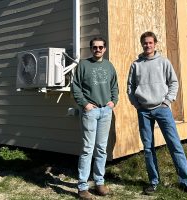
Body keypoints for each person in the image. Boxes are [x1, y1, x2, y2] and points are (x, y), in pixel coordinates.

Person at [127, 31, 187, 196]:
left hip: (162, 109)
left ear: (155, 44)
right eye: (145, 43)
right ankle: (153, 182)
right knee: (148, 148)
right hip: (144, 111)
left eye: (150, 43)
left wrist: (167, 101)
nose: (147, 45)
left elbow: (173, 82)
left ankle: (186, 183)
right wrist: (136, 103)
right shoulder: (136, 64)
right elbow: (130, 87)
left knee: (174, 145)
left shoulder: (163, 62)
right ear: (142, 44)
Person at [72, 37, 118, 200]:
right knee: (87, 149)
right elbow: (75, 86)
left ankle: (99, 182)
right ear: (91, 49)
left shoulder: (109, 65)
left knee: (101, 148)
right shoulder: (83, 65)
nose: (97, 50)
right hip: (90, 112)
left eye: (100, 47)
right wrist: (84, 104)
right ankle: (82, 187)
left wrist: (113, 102)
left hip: (105, 111)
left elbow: (114, 85)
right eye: (94, 47)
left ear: (104, 49)